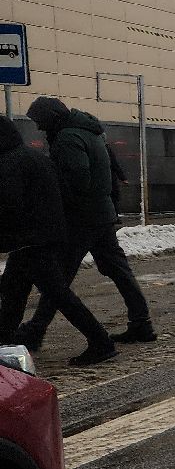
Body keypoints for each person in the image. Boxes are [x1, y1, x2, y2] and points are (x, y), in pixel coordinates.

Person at [20, 97, 151, 351]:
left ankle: (36, 330)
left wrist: (53, 201)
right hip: (101, 215)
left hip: (81, 219)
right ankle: (141, 322)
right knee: (118, 271)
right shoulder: (88, 131)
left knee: (57, 279)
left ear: (52, 117)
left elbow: (75, 180)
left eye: (40, 121)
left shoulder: (68, 138)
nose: (39, 128)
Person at [0, 117, 117, 365]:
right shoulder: (33, 158)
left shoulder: (9, 163)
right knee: (14, 292)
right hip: (42, 237)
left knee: (57, 294)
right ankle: (5, 345)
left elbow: (8, 207)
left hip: (30, 240)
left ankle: (101, 341)